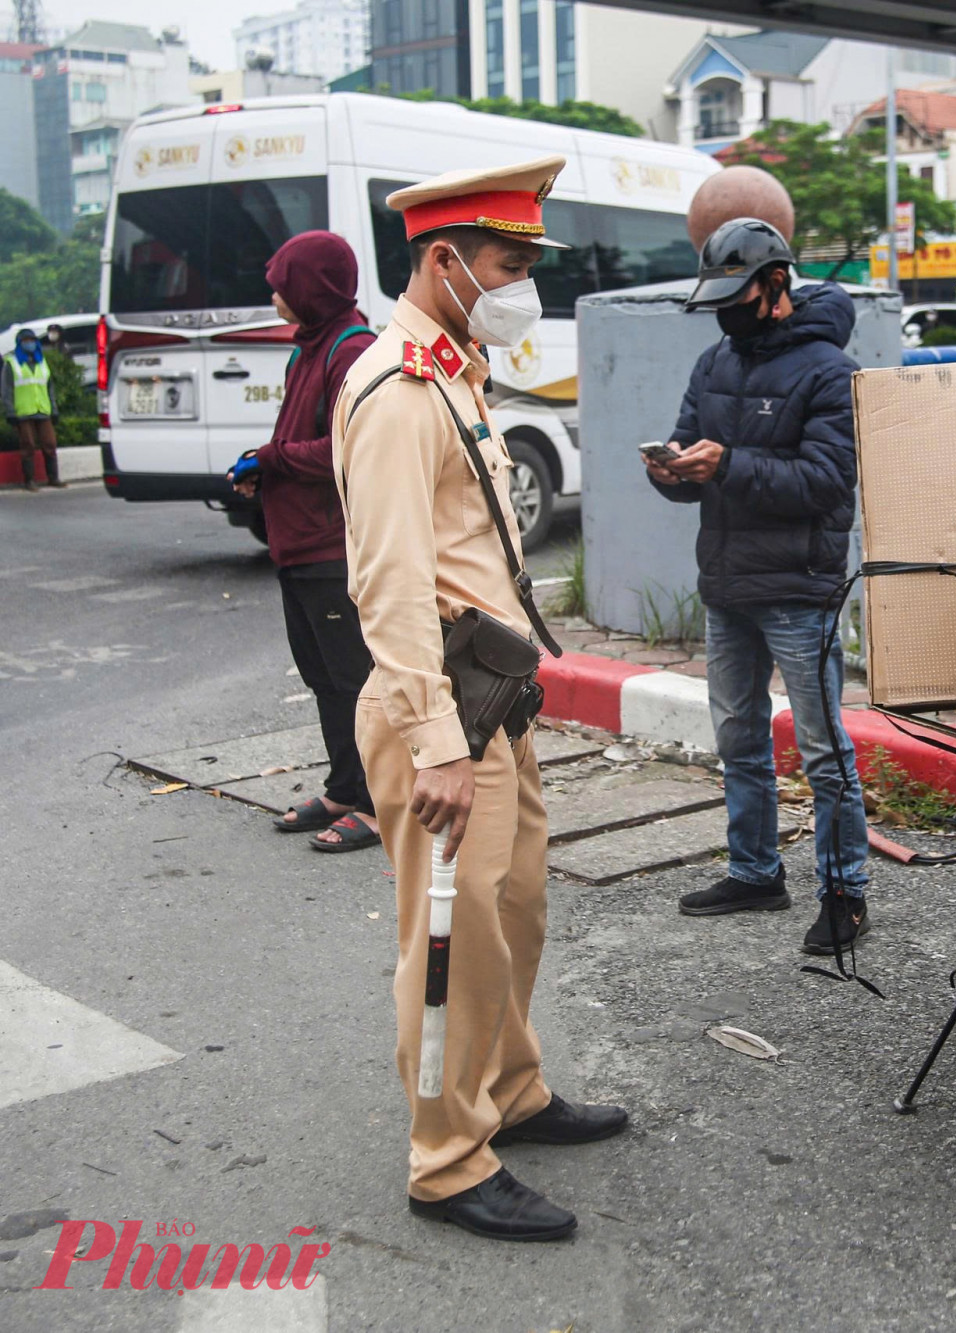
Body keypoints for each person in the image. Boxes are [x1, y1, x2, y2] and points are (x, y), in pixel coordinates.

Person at [331, 155, 625, 1243]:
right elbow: (392, 581)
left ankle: (509, 1091)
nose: (524, 287)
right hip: (441, 714)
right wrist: (435, 744)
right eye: (509, 264)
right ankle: (447, 1157)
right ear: (444, 260)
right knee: (449, 940)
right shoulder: (398, 387)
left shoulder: (454, 368)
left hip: (490, 697)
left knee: (512, 915)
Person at [648, 217, 872, 957]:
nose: (726, 310)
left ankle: (846, 892)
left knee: (821, 749)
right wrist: (672, 473)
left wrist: (728, 464)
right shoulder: (714, 362)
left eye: (736, 294)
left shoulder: (829, 372)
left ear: (776, 283)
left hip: (800, 591)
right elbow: (691, 454)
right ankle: (754, 870)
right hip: (726, 583)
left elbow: (829, 481)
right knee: (738, 738)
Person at [227, 232, 381, 852]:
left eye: (285, 282)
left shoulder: (353, 350)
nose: (274, 293)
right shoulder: (308, 348)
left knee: (356, 679)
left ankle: (375, 805)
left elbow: (351, 449)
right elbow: (299, 440)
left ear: (313, 287)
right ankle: (344, 788)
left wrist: (273, 458)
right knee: (322, 676)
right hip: (297, 543)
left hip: (333, 545)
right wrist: (264, 469)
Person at [4, 327, 59, 489]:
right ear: (20, 344)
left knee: (50, 444)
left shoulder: (42, 362)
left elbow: (50, 388)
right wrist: (10, 411)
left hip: (43, 410)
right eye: (26, 341)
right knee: (27, 446)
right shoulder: (12, 363)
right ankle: (30, 480)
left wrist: (54, 409)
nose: (30, 344)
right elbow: (7, 390)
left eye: (32, 341)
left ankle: (53, 478)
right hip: (23, 412)